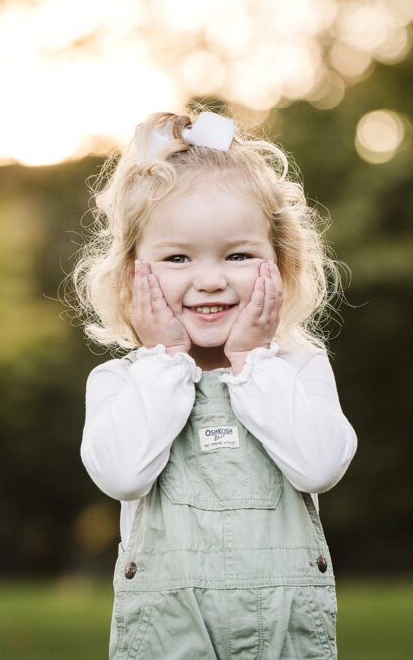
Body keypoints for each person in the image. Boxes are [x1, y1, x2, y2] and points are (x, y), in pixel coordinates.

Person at [72, 109, 358, 659]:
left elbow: (320, 466)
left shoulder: (297, 371)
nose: (210, 279)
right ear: (134, 271)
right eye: (178, 257)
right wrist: (166, 357)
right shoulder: (121, 382)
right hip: (166, 639)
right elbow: (123, 475)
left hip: (284, 639)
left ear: (282, 262)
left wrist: (251, 358)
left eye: (239, 255)